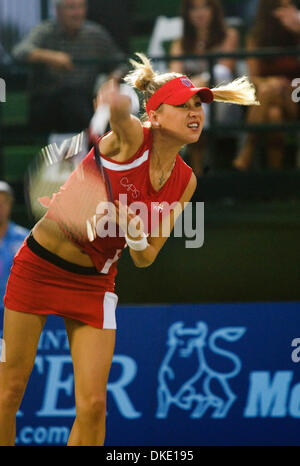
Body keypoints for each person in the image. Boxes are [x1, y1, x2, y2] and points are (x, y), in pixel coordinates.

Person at [0, 53, 258, 446]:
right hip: (39, 267)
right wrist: (114, 99)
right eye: (182, 106)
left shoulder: (185, 181)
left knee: (93, 406)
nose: (194, 113)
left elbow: (145, 256)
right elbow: (121, 114)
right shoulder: (132, 138)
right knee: (8, 391)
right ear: (154, 116)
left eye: (197, 106)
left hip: (95, 283)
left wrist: (135, 231)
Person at [12, 0, 125, 134]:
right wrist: (50, 57)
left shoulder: (95, 34)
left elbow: (121, 63)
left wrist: (112, 80)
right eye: (71, 8)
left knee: (106, 105)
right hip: (47, 104)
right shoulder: (45, 31)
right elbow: (19, 52)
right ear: (58, 11)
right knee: (72, 99)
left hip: (85, 102)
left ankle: (100, 142)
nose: (77, 13)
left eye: (81, 7)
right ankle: (92, 141)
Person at [169, 0, 240, 176]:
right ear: (187, 14)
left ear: (214, 10)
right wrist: (197, 86)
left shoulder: (229, 36)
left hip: (224, 103)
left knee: (220, 73)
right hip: (193, 104)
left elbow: (225, 71)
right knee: (186, 104)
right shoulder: (179, 44)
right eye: (194, 9)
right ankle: (198, 177)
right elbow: (175, 79)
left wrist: (198, 82)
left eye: (205, 7)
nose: (199, 13)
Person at [233, 0, 300, 171]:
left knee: (269, 91)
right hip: (268, 98)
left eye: (290, 7)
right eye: (281, 8)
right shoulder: (255, 37)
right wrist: (272, 83)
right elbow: (254, 77)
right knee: (273, 114)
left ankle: (248, 148)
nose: (286, 13)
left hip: (295, 95)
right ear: (269, 10)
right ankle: (275, 179)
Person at [0, 182, 29, 313]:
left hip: (17, 312)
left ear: (10, 204)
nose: (0, 206)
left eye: (4, 201)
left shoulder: (25, 238)